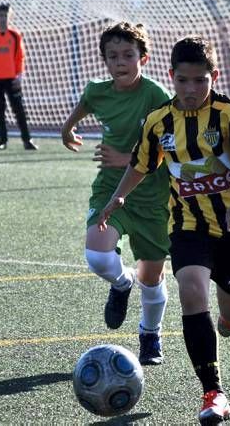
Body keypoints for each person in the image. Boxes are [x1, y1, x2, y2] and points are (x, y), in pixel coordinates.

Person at [98, 36, 230, 424]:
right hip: (187, 223)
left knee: (229, 318)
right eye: (183, 81)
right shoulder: (159, 121)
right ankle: (213, 393)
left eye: (200, 81)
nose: (191, 90)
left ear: (214, 76)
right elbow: (142, 163)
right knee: (191, 290)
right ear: (171, 77)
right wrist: (118, 197)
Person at [61, 22, 172, 366]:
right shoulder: (98, 91)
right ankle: (122, 285)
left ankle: (150, 334)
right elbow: (81, 108)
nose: (121, 61)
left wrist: (128, 158)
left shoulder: (158, 97)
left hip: (152, 194)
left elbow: (174, 147)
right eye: (113, 56)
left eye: (128, 55)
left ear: (144, 58)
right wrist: (68, 129)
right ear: (105, 61)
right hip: (110, 188)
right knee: (97, 256)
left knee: (151, 277)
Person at [0, 3, 37, 150]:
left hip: (12, 79)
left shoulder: (15, 35)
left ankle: (27, 140)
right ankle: (2, 140)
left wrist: (20, 77)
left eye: (5, 16)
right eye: (0, 16)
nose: (3, 19)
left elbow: (20, 57)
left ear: (10, 17)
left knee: (19, 110)